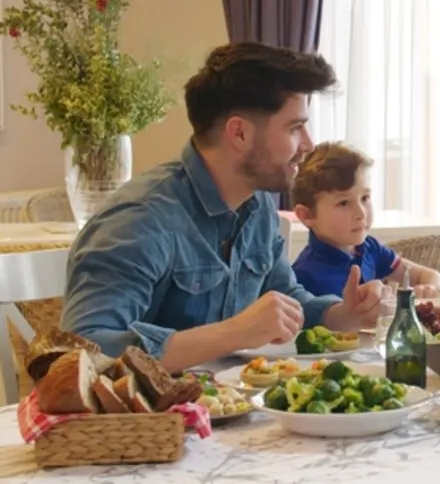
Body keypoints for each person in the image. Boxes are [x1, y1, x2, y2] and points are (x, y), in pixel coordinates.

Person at [60, 42, 385, 371]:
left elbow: (286, 298)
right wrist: (234, 333)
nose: (308, 145)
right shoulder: (140, 219)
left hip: (227, 410)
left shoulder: (256, 206)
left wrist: (341, 315)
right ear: (239, 133)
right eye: (294, 128)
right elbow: (83, 349)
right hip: (146, 420)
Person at [290, 142, 440, 299]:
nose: (361, 213)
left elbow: (429, 275)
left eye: (365, 198)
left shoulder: (369, 248)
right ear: (307, 216)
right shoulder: (303, 277)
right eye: (343, 203)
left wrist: (432, 288)